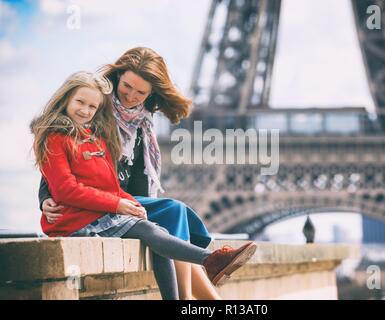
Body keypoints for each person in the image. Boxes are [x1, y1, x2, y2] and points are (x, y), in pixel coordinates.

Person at [31, 71, 257, 300]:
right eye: (80, 102)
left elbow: (108, 185)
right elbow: (65, 188)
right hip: (77, 220)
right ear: (65, 99)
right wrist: (119, 204)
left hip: (98, 213)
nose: (85, 110)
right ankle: (212, 259)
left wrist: (129, 203)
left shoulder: (96, 136)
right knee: (150, 230)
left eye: (92, 106)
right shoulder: (55, 137)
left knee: (159, 231)